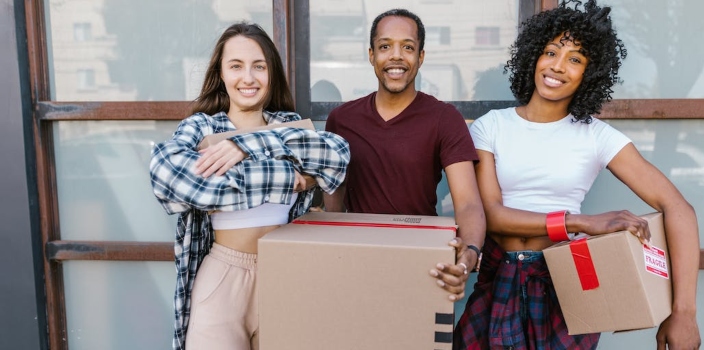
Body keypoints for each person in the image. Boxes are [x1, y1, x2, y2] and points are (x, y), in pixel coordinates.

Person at [454, 1, 701, 349]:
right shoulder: (491, 126)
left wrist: (684, 313)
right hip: (499, 279)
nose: (558, 66)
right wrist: (581, 222)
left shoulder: (597, 136)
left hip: (566, 284)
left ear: (590, 72)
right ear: (533, 56)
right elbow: (492, 216)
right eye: (551, 51)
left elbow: (679, 209)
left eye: (575, 59)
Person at [149, 23, 349, 350]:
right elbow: (170, 177)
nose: (249, 78)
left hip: (287, 274)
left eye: (259, 66)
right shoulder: (202, 126)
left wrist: (246, 147)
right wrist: (290, 176)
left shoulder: (288, 123)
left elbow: (337, 154)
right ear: (222, 74)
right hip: (222, 277)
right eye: (236, 66)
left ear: (271, 73)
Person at [323, 8, 486, 301]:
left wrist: (469, 254)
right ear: (371, 55)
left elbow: (469, 203)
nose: (396, 56)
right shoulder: (342, 119)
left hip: (424, 261)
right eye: (385, 46)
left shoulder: (444, 118)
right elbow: (333, 203)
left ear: (420, 57)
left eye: (407, 47)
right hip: (356, 259)